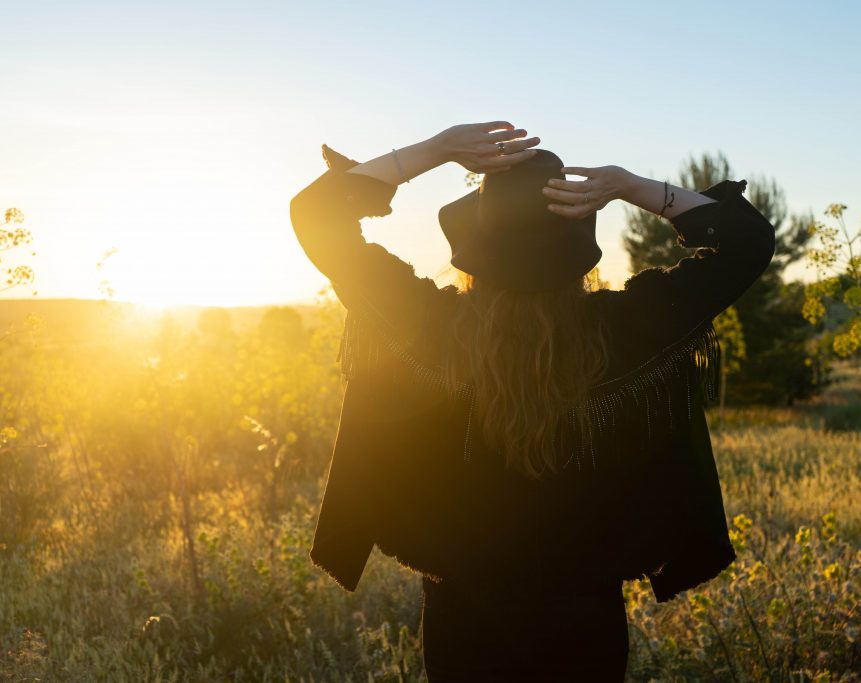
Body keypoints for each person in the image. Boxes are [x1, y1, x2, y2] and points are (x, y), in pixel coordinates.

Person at [289, 121, 776, 681]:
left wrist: (436, 149)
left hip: (463, 624)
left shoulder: (428, 326)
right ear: (576, 250)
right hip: (584, 624)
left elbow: (316, 215)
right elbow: (747, 242)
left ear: (474, 243)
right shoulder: (627, 332)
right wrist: (629, 186)